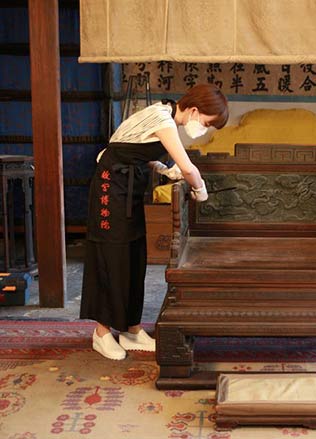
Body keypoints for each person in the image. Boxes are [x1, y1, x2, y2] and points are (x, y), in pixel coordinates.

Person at [80, 83, 229, 360]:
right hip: (109, 188)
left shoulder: (166, 112)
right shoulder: (163, 119)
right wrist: (200, 190)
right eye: (207, 124)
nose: (205, 130)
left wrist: (161, 168)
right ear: (195, 110)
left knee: (134, 255)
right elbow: (188, 168)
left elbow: (132, 145)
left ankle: (131, 330)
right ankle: (101, 333)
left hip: (129, 186)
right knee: (111, 256)